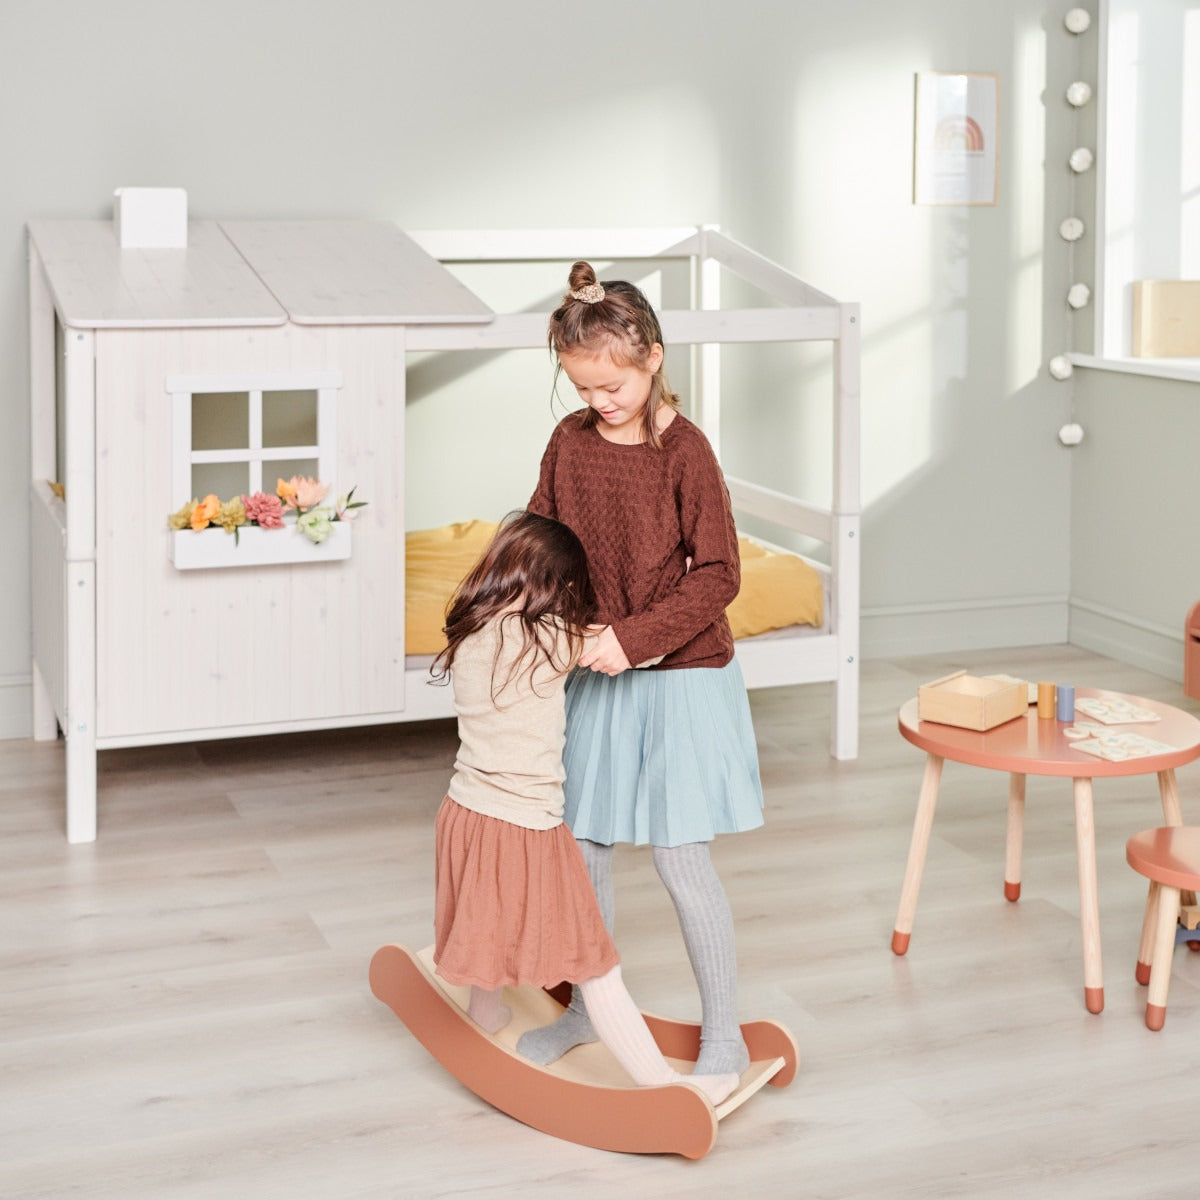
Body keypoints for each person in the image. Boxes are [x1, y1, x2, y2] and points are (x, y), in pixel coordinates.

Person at [517, 262, 764, 1078]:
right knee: (583, 847)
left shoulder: (685, 452)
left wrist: (635, 638)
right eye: (584, 388)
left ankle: (723, 1033)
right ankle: (588, 1007)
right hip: (598, 674)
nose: (600, 401)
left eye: (613, 386)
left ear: (653, 358)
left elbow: (719, 574)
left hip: (678, 674)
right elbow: (544, 536)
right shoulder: (570, 443)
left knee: (678, 859)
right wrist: (538, 609)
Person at [430, 510, 739, 1106]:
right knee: (595, 965)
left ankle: (485, 1019)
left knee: (487, 929)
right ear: (559, 584)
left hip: (464, 814)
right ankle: (664, 1089)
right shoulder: (550, 640)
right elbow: (634, 652)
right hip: (525, 827)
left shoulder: (470, 625)